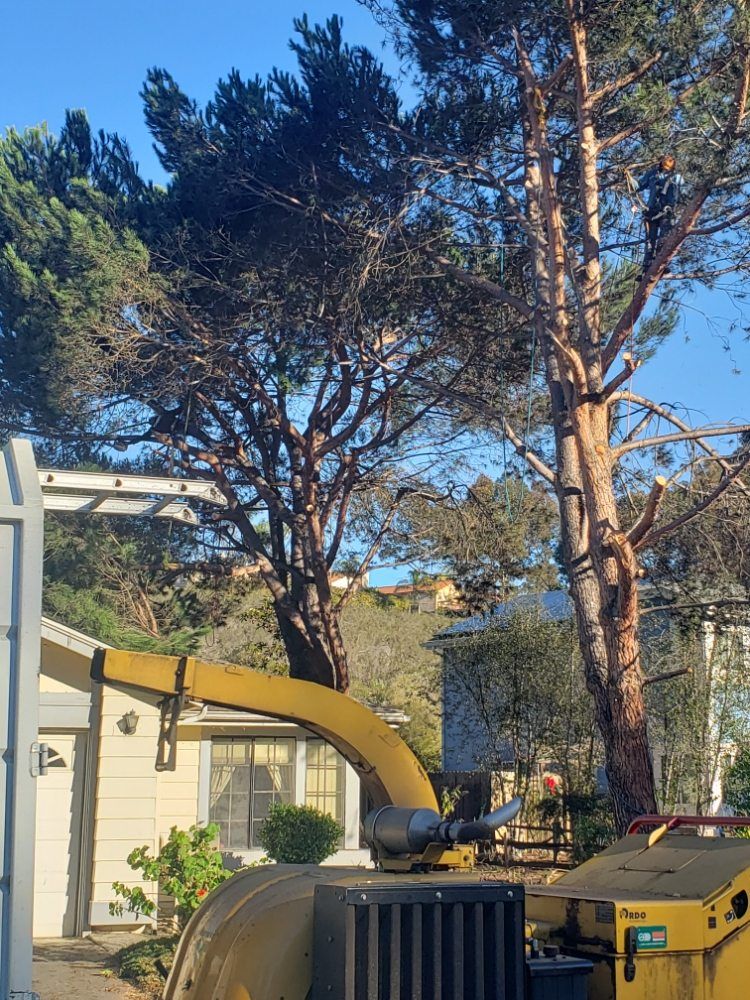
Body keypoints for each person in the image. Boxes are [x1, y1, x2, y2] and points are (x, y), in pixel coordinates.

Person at [638, 154, 684, 270]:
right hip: (652, 210)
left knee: (664, 239)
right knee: (650, 239)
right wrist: (628, 177)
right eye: (664, 164)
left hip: (667, 212)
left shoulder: (677, 177)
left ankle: (660, 263)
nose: (665, 167)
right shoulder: (652, 174)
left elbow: (682, 193)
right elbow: (639, 186)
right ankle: (647, 264)